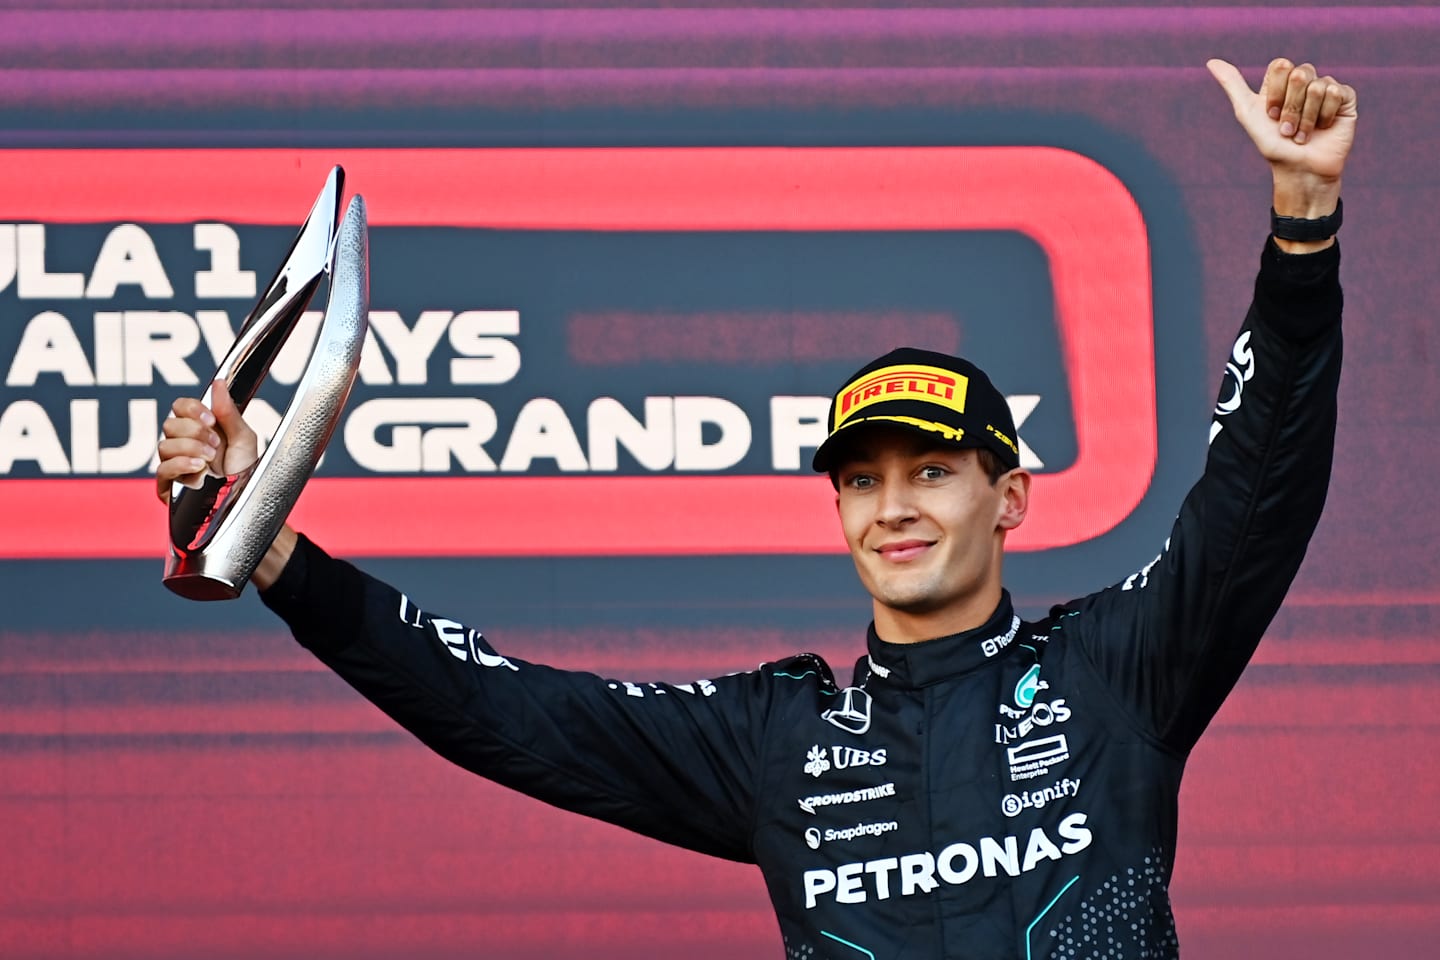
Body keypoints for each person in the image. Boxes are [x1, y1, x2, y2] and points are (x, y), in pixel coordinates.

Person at [156, 57, 1354, 959]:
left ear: (1013, 497)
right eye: (865, 481)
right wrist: (277, 554)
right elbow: (501, 708)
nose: (896, 508)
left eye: (933, 473)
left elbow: (1259, 486)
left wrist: (1302, 230)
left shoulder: (1115, 672)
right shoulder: (779, 740)